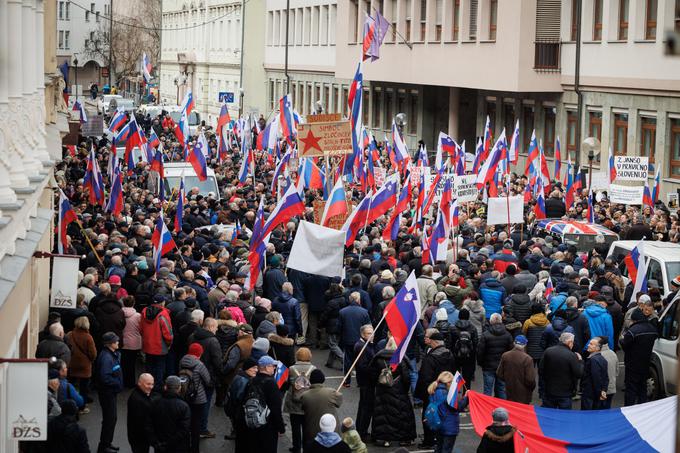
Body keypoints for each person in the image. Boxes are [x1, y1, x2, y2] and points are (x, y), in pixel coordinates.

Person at [370, 339, 417, 447]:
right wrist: (405, 390)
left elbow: (372, 374)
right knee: (402, 414)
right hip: (398, 389)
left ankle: (385, 439)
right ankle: (404, 438)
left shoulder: (378, 358)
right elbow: (406, 377)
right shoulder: (400, 359)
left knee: (383, 415)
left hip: (382, 390)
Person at [415, 329, 455, 449]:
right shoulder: (450, 354)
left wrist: (423, 393)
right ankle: (439, 438)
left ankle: (429, 441)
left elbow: (425, 378)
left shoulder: (430, 358)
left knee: (428, 416)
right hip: (446, 390)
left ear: (434, 342)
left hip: (432, 391)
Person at [241, 355, 285, 452]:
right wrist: (280, 427)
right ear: (265, 367)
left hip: (252, 423)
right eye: (272, 365)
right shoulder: (271, 383)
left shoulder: (251, 380)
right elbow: (276, 408)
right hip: (267, 426)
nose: (274, 367)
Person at [179, 342, 213, 450]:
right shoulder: (199, 365)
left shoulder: (182, 361)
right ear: (199, 354)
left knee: (185, 422)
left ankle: (185, 446)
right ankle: (194, 448)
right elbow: (207, 381)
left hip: (184, 395)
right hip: (198, 398)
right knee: (196, 424)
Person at [620, 308, 658, 406]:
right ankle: (642, 408)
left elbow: (624, 344)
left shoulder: (633, 331)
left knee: (631, 388)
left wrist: (621, 340)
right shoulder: (652, 329)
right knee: (642, 387)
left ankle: (629, 409)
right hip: (646, 362)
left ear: (635, 319)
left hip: (632, 363)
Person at [94, 332, 124, 453]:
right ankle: (104, 446)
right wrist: (117, 383)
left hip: (110, 392)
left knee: (111, 419)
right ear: (110, 344)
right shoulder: (107, 357)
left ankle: (107, 443)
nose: (118, 342)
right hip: (107, 393)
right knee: (109, 419)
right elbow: (104, 377)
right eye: (116, 341)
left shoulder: (112, 354)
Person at [539, 332, 583, 409]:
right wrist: (580, 361)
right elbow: (579, 373)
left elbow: (541, 370)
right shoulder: (571, 355)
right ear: (570, 342)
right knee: (564, 417)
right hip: (565, 393)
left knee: (549, 415)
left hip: (549, 390)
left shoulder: (548, 351)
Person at [283, 347, 316, 453]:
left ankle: (296, 447)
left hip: (294, 402)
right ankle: (306, 447)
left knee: (295, 427)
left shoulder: (292, 369)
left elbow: (286, 384)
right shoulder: (314, 369)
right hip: (308, 402)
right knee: (307, 427)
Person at [427, 371, 468, 453]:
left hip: (438, 424)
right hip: (449, 427)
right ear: (448, 383)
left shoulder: (434, 390)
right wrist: (466, 398)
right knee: (446, 450)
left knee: (439, 447)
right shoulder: (447, 394)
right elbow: (457, 407)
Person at [148, 375, 191, 453]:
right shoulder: (183, 406)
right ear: (179, 388)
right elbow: (184, 430)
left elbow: (150, 425)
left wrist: (156, 442)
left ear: (165, 387)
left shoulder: (155, 403)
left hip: (160, 446)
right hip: (177, 447)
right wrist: (169, 443)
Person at [140, 294, 174, 392]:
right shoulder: (163, 314)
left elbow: (141, 328)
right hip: (160, 346)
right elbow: (168, 332)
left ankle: (147, 385)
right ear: (162, 302)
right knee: (160, 368)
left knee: (149, 366)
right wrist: (169, 343)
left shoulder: (144, 311)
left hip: (147, 344)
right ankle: (157, 388)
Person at [338, 292, 371, 387]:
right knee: (360, 361)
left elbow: (339, 327)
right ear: (358, 300)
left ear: (350, 299)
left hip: (347, 339)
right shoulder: (364, 312)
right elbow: (368, 327)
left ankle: (347, 381)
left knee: (347, 361)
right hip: (360, 341)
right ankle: (360, 382)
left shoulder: (342, 312)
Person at [301, 369, 343, 442]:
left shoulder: (304, 396)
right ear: (323, 379)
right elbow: (339, 402)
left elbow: (303, 408)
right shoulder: (331, 392)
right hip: (332, 432)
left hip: (312, 433)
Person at [477, 313, 513, 399]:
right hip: (502, 367)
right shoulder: (507, 335)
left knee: (487, 389)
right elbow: (511, 351)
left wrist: (481, 363)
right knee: (501, 389)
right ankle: (502, 408)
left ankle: (486, 409)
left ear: (491, 321)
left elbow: (480, 351)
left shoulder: (485, 335)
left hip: (488, 366)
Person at [225, 357, 258, 447]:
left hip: (234, 410)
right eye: (254, 368)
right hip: (239, 412)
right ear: (247, 368)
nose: (256, 370)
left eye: (257, 368)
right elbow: (241, 398)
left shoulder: (241, 376)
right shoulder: (244, 381)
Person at [65, 316, 97, 404]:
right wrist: (91, 360)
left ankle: (71, 402)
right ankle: (82, 405)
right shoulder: (88, 337)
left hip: (72, 363)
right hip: (84, 365)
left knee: (70, 385)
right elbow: (93, 354)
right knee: (84, 387)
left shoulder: (69, 334)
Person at [353, 324, 377, 441]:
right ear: (362, 334)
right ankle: (362, 432)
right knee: (366, 408)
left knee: (364, 407)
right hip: (366, 382)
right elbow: (363, 367)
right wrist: (376, 372)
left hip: (367, 382)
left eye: (372, 333)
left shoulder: (367, 345)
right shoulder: (361, 346)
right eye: (369, 333)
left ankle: (361, 430)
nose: (372, 335)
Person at [496, 335, 536, 404]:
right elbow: (530, 379)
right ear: (525, 344)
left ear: (514, 343)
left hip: (509, 390)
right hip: (523, 393)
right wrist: (531, 387)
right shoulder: (527, 359)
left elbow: (499, 373)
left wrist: (508, 380)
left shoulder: (505, 355)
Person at [127, 373, 158, 453]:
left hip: (138, 437)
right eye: (148, 384)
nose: (151, 387)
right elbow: (144, 424)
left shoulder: (140, 394)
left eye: (152, 384)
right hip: (139, 439)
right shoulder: (138, 400)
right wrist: (154, 441)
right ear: (139, 383)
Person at [450, 309, 478, 384]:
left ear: (459, 316)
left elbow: (450, 342)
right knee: (467, 377)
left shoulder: (453, 327)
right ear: (468, 316)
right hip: (469, 355)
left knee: (455, 376)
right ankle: (466, 393)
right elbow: (475, 343)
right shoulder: (473, 328)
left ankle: (456, 392)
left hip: (456, 354)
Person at [580, 337, 609, 410]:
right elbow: (606, 377)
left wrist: (599, 393)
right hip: (596, 394)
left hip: (590, 394)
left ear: (598, 348)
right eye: (589, 343)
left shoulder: (593, 360)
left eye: (591, 344)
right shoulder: (603, 359)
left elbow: (596, 378)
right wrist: (603, 390)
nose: (588, 345)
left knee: (587, 416)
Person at [121, 296, 142, 388]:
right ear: (133, 303)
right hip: (134, 342)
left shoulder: (119, 313)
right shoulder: (138, 316)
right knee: (132, 363)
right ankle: (130, 382)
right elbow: (141, 328)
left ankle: (122, 380)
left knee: (123, 362)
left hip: (122, 341)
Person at [598, 336, 619, 408]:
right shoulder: (613, 353)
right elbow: (617, 372)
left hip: (601, 389)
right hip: (611, 387)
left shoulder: (597, 355)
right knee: (607, 408)